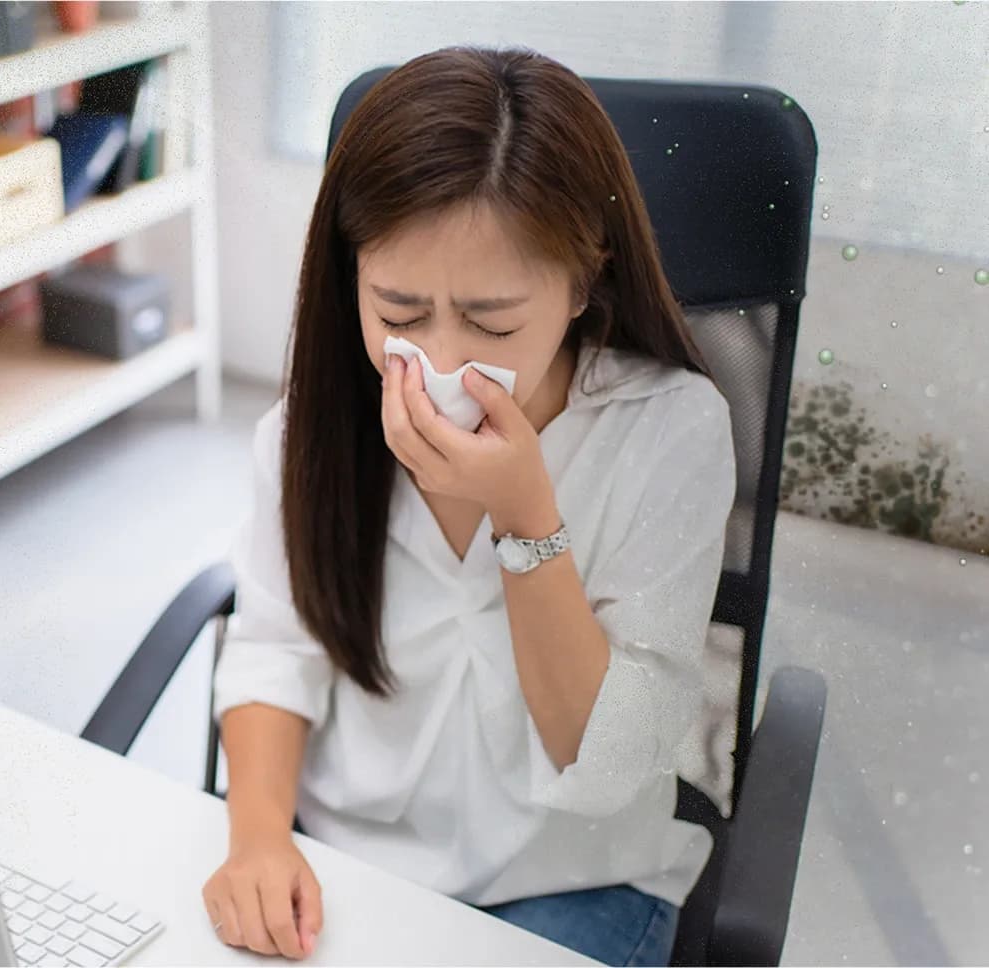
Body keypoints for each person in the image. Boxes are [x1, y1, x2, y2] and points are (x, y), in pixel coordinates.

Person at [202, 45, 736, 968]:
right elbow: (274, 654)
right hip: (343, 857)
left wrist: (526, 517)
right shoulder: (312, 432)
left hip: (570, 882)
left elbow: (606, 765)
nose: (441, 363)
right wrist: (257, 840)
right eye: (399, 313)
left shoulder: (671, 433)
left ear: (582, 282)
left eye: (491, 323)